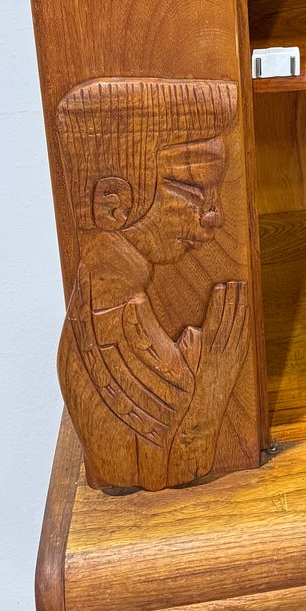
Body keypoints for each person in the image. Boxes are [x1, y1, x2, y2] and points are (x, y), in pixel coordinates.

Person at [56, 78, 249, 488]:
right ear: (115, 204)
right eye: (195, 189)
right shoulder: (110, 325)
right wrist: (212, 385)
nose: (214, 216)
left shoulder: (117, 308)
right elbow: (168, 472)